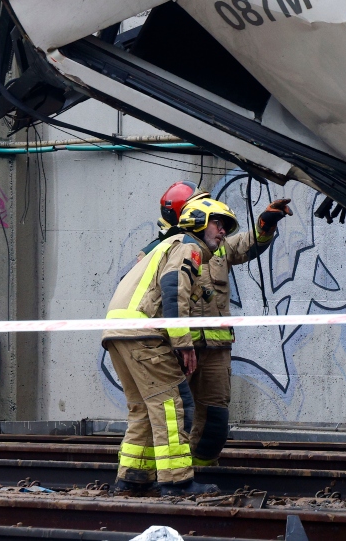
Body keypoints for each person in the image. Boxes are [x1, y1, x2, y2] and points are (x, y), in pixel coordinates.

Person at [138, 181, 292, 467]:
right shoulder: (161, 250)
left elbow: (246, 244)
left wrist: (266, 224)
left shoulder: (218, 247)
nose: (218, 228)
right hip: (175, 347)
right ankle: (157, 476)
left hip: (215, 348)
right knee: (169, 416)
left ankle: (202, 475)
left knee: (215, 421)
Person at [102, 196, 241, 497]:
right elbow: (172, 288)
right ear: (199, 223)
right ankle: (177, 481)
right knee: (175, 405)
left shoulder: (169, 245)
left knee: (143, 407)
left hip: (119, 331)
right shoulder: (187, 246)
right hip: (144, 333)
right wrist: (183, 343)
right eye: (218, 224)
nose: (222, 232)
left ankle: (133, 477)